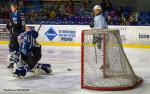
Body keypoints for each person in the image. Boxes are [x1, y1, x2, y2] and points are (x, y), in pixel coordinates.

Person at [6, 3, 25, 69]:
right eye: (10, 7)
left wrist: (12, 24)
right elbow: (9, 25)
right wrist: (8, 25)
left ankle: (20, 63)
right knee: (12, 48)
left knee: (19, 49)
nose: (11, 9)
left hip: (18, 34)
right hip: (13, 34)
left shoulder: (19, 13)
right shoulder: (11, 14)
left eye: (12, 7)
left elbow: (19, 24)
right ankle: (12, 63)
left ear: (16, 7)